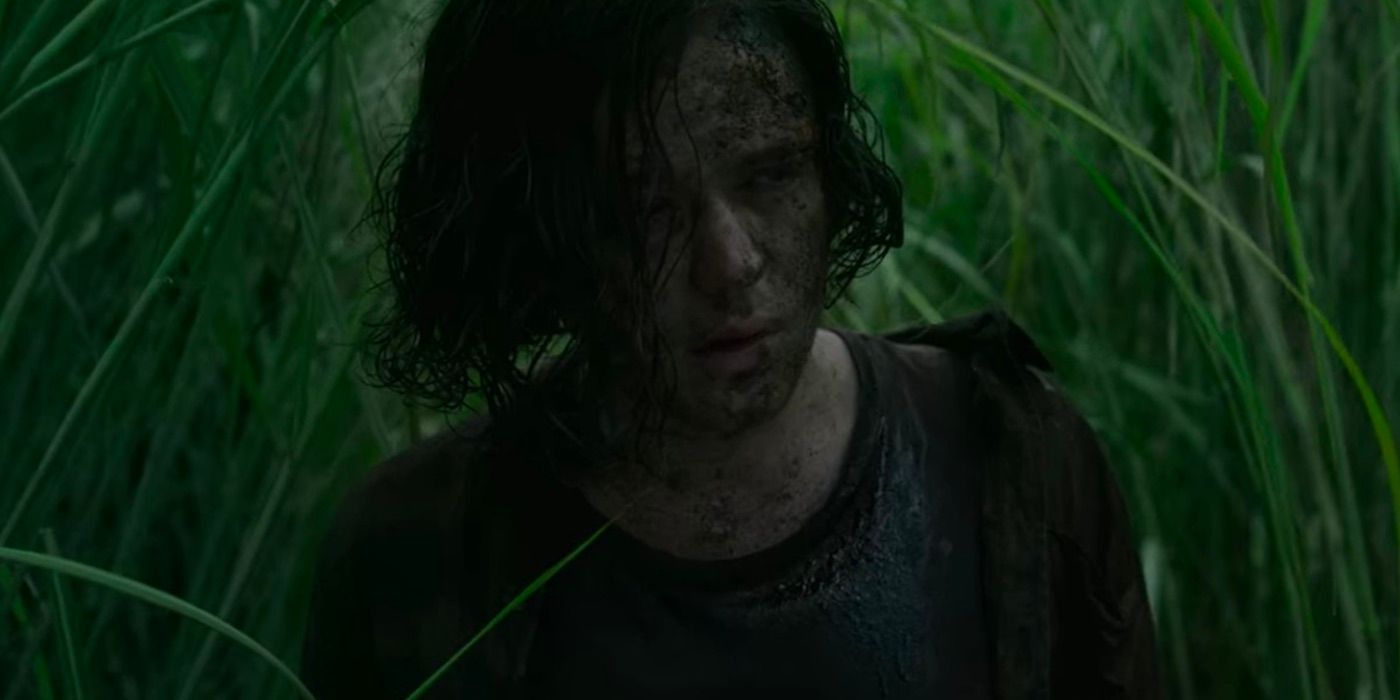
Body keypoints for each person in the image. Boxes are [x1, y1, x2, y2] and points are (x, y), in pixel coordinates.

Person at [300, 0, 1162, 697]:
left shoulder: (1010, 465)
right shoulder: (415, 559)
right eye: (645, 209)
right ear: (536, 237)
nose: (732, 262)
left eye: (770, 174)